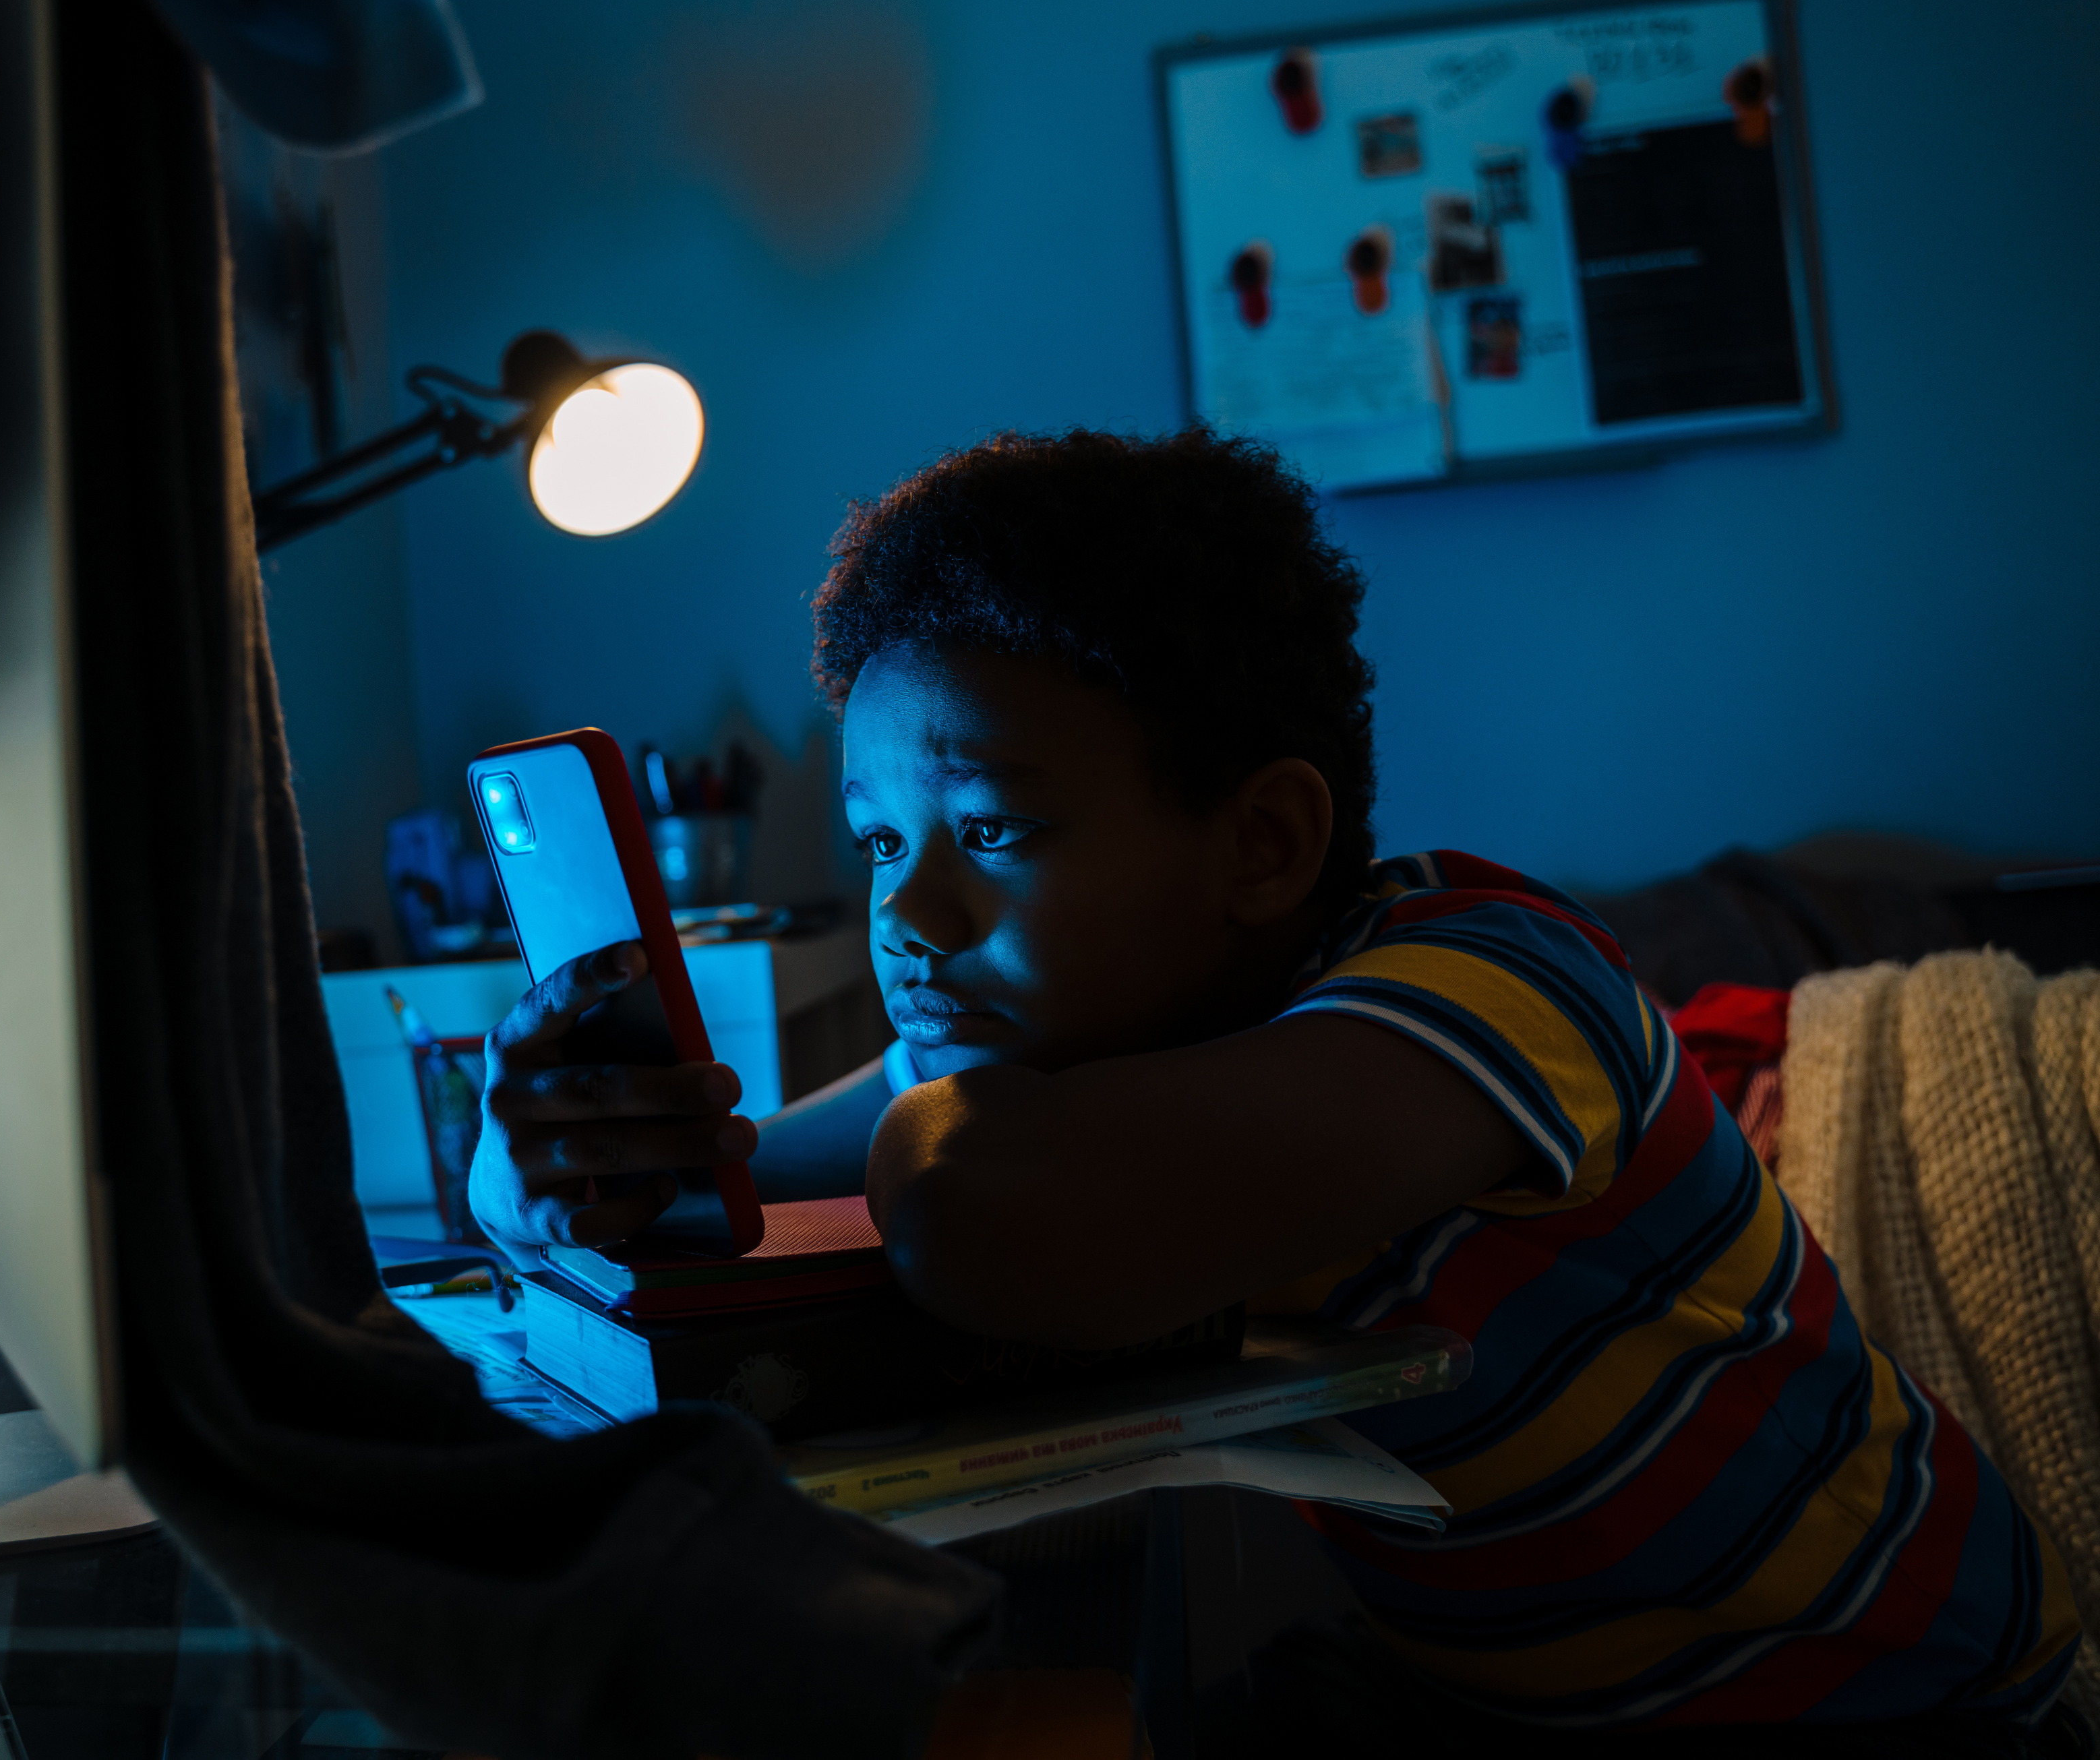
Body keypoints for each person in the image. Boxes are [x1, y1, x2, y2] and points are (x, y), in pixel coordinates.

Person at [463, 427, 2085, 1744]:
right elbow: (741, 1186)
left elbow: (966, 1199)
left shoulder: (1489, 974)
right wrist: (531, 1164)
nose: (906, 912)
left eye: (994, 832)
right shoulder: (1058, 1044)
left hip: (1902, 1714)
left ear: (1262, 844)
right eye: (882, 841)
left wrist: (895, 1145)